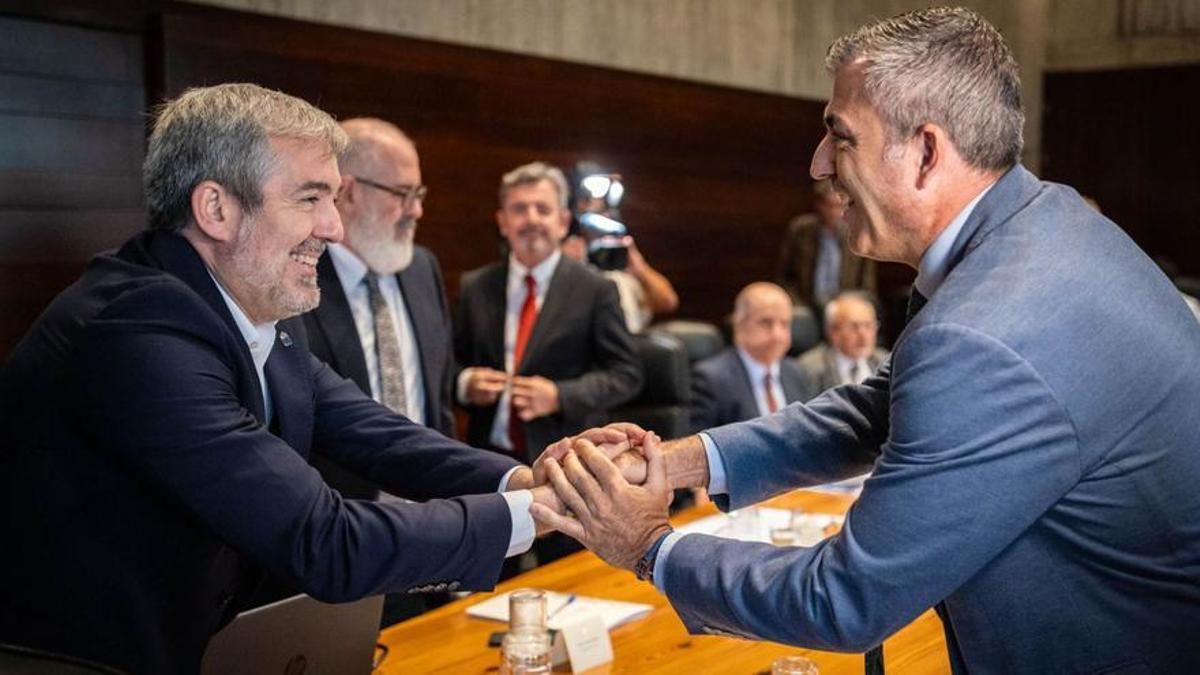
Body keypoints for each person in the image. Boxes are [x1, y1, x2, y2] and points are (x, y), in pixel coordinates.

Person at [530, 7, 1200, 674]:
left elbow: (844, 599)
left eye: (839, 136)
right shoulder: (1043, 226)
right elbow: (888, 403)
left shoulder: (982, 330)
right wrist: (677, 464)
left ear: (927, 152)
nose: (818, 163)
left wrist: (649, 544)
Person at [0, 83, 565, 674]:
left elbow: (377, 433)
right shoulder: (136, 330)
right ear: (216, 209)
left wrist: (528, 477)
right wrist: (539, 512)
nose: (333, 227)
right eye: (311, 197)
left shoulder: (237, 304)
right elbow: (325, 539)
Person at [301, 118, 454, 501]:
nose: (416, 210)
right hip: (340, 518)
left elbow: (438, 396)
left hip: (432, 509)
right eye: (402, 193)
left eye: (419, 193)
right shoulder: (297, 277)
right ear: (347, 192)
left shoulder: (422, 267)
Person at [454, 161, 643, 465]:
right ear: (503, 222)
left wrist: (559, 395)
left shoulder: (595, 289)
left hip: (567, 461)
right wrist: (464, 383)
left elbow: (626, 374)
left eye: (543, 209)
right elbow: (449, 364)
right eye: (519, 209)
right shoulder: (475, 286)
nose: (531, 219)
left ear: (563, 222)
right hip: (488, 460)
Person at [689, 282, 806, 432]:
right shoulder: (711, 379)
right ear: (739, 325)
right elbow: (698, 448)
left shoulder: (797, 372)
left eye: (784, 324)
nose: (777, 335)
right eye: (766, 322)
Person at [777, 179, 876, 311]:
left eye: (838, 206)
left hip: (845, 304)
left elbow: (867, 284)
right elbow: (785, 277)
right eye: (828, 205)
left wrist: (853, 305)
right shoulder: (800, 231)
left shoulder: (857, 233)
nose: (833, 212)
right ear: (818, 205)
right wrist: (796, 303)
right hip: (806, 303)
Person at [795, 290, 888, 399]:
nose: (863, 335)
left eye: (868, 325)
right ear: (833, 331)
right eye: (854, 327)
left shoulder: (885, 362)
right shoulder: (809, 369)